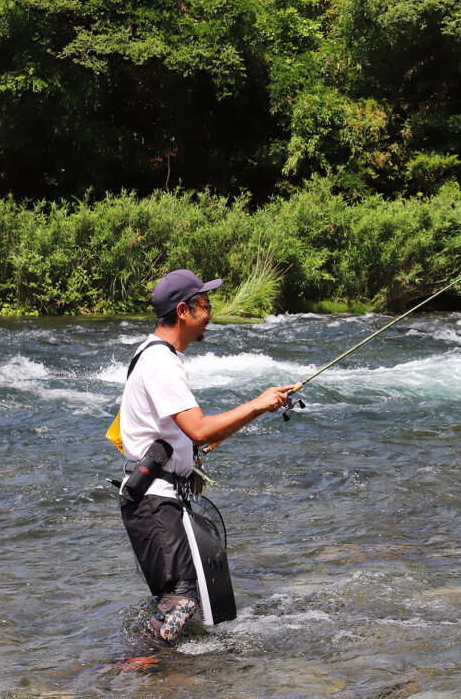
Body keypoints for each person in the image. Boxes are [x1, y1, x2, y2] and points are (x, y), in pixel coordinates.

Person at [118, 268, 294, 643]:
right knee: (181, 603)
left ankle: (160, 675)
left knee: (178, 598)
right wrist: (258, 403)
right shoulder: (162, 363)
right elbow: (199, 429)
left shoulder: (155, 355)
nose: (210, 312)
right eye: (205, 305)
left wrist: (261, 407)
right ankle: (128, 670)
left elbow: (193, 437)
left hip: (156, 498)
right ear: (183, 311)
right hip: (154, 502)